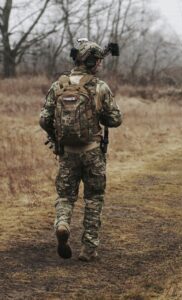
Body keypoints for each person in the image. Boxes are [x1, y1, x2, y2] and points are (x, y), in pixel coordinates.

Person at [39, 39, 122, 261]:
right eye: (99, 62)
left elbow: (44, 118)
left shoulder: (59, 85)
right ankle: (88, 249)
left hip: (67, 153)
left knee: (65, 196)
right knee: (94, 199)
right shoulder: (100, 87)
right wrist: (99, 114)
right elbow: (115, 119)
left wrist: (55, 136)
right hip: (93, 152)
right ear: (93, 62)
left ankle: (63, 223)